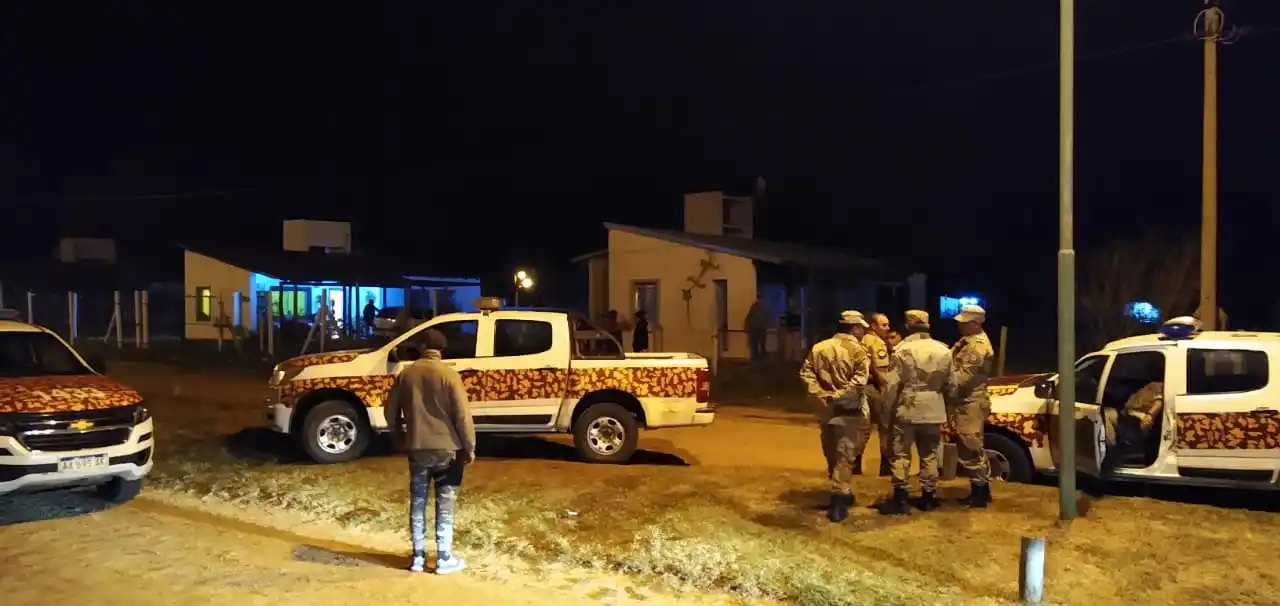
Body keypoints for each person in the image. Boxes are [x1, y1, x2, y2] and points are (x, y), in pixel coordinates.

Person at [384, 329, 477, 575]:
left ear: (420, 349)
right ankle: (444, 558)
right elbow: (462, 417)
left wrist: (399, 436)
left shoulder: (405, 375)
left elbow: (390, 411)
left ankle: (417, 557)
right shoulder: (449, 376)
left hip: (417, 448)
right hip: (449, 450)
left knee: (418, 501)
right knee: (445, 504)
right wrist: (470, 447)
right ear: (442, 350)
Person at [877, 310, 954, 515]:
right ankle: (928, 497)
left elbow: (891, 386)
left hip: (908, 407)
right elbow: (952, 385)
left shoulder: (902, 350)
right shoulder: (944, 350)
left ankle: (901, 497)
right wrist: (949, 408)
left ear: (908, 326)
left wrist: (885, 413)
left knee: (901, 454)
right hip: (933, 407)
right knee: (929, 453)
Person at [799, 310, 872, 523]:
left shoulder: (819, 347)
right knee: (845, 455)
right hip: (850, 411)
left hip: (826, 410)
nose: (863, 332)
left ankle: (842, 489)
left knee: (831, 451)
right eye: (861, 328)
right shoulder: (858, 351)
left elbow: (806, 374)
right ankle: (839, 498)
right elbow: (859, 381)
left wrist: (821, 395)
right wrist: (838, 396)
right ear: (854, 328)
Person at [950, 304, 995, 508]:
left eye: (965, 322)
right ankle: (981, 489)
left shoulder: (977, 346)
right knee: (968, 444)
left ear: (976, 323)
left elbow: (962, 378)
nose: (960, 325)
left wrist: (941, 383)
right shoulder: (966, 341)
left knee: (971, 445)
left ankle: (980, 492)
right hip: (965, 401)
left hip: (971, 401)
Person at [859, 312, 895, 476]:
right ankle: (886, 466)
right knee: (886, 427)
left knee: (862, 428)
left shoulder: (862, 340)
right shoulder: (877, 342)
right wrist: (887, 392)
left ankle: (855, 464)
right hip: (874, 388)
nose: (888, 328)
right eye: (883, 325)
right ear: (873, 326)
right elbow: (881, 372)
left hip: (861, 387)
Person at [1102, 381, 1164, 467]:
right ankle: (1112, 449)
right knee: (1106, 412)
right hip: (1128, 418)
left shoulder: (1158, 387)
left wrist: (1149, 415)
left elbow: (1158, 404)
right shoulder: (1150, 388)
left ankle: (1111, 451)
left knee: (1104, 414)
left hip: (1135, 425)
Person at [745, 293, 773, 361]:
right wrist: (747, 326)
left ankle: (761, 358)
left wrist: (768, 325)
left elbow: (768, 318)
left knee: (762, 344)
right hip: (755, 329)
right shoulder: (754, 307)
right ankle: (756, 359)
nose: (761, 300)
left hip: (762, 329)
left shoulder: (765, 308)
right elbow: (749, 317)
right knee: (754, 345)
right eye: (759, 299)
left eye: (761, 299)